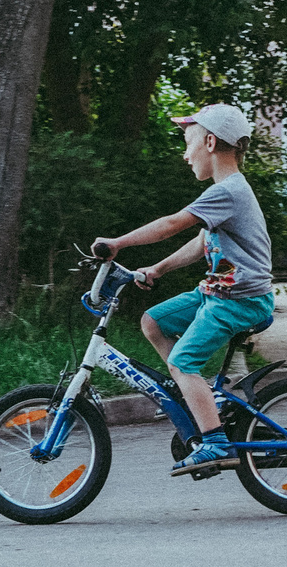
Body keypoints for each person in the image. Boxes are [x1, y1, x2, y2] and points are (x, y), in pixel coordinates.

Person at [88, 103, 276, 476]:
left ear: (209, 141)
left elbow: (173, 224)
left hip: (240, 301)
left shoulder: (230, 191)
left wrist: (118, 243)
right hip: (218, 293)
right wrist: (156, 268)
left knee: (182, 362)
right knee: (154, 321)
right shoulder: (226, 193)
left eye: (187, 142)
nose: (183, 152)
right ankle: (196, 397)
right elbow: (199, 244)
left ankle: (215, 443)